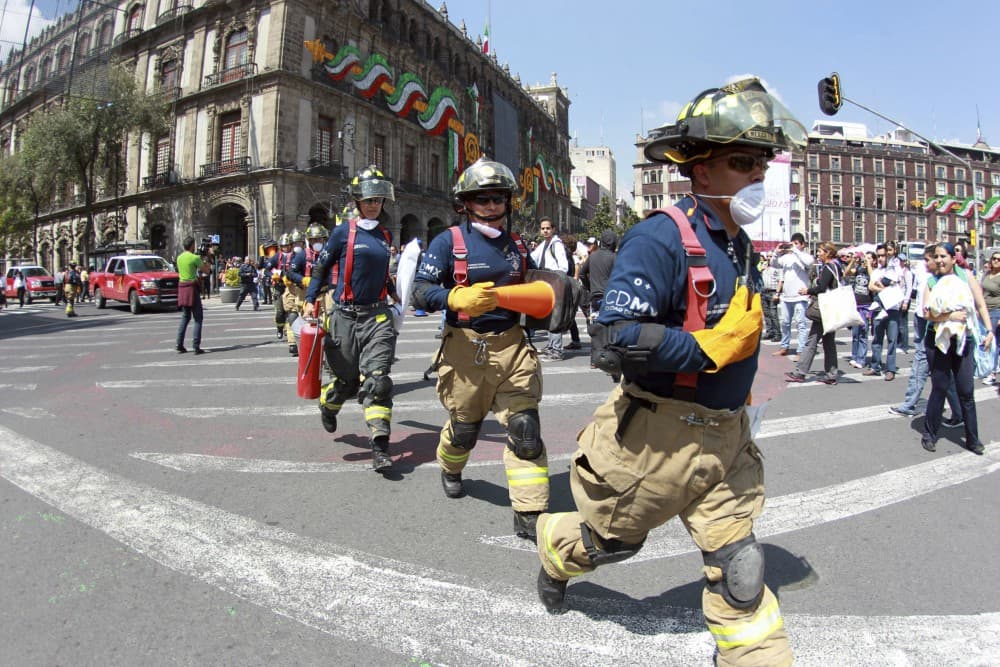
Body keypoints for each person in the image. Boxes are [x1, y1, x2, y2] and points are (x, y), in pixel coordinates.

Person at [534, 77, 802, 666]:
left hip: (726, 438)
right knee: (608, 545)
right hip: (656, 443)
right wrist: (707, 350)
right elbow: (615, 335)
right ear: (700, 171)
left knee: (742, 569)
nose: (758, 175)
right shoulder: (660, 237)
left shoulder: (739, 246)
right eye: (741, 162)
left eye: (762, 162)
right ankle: (557, 551)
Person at [411, 157, 549, 541]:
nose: (491, 206)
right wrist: (455, 298)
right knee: (465, 430)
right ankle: (450, 467)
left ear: (508, 202)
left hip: (513, 347)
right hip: (464, 350)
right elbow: (419, 290)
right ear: (465, 204)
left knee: (526, 429)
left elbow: (541, 290)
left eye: (498, 198)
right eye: (482, 198)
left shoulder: (519, 244)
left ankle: (529, 510)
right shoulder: (448, 241)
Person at [304, 167, 399, 472]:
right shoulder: (342, 232)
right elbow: (321, 268)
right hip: (344, 316)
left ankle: (380, 447)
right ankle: (328, 406)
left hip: (378, 315)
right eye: (368, 199)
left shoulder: (385, 234)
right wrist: (309, 301)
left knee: (378, 380)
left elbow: (382, 273)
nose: (374, 205)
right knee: (344, 383)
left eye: (379, 200)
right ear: (358, 201)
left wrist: (396, 292)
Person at [920, 243, 994, 454]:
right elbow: (927, 314)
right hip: (938, 341)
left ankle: (973, 439)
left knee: (966, 392)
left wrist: (989, 330)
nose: (940, 260)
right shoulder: (931, 282)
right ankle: (929, 434)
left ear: (954, 258)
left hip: (964, 340)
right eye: (937, 256)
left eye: (944, 256)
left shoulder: (966, 277)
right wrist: (949, 316)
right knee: (940, 388)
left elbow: (980, 305)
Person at [889, 245, 963, 420]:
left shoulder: (944, 278)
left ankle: (909, 404)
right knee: (939, 371)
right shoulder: (924, 275)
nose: (926, 262)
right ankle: (958, 412)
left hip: (936, 326)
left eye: (928, 259)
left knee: (926, 368)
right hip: (921, 320)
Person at [784, 242, 841, 384]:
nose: (818, 253)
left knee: (811, 342)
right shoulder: (837, 266)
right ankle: (831, 375)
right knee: (828, 343)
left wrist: (807, 291)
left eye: (821, 251)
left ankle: (800, 372)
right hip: (831, 308)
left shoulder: (829, 267)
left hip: (824, 309)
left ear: (828, 253)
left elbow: (822, 288)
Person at [530, 216, 569, 361]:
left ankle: (557, 350)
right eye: (543, 228)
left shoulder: (556, 244)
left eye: (548, 228)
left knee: (555, 317)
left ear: (553, 229)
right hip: (547, 285)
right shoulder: (545, 244)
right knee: (549, 316)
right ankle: (552, 345)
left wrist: (555, 280)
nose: (545, 231)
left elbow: (563, 267)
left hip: (555, 284)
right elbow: (532, 258)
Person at [771, 232, 813, 359]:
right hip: (786, 296)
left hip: (800, 296)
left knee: (800, 323)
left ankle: (800, 350)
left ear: (802, 245)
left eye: (796, 244)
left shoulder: (806, 257)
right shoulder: (786, 257)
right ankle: (784, 347)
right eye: (792, 243)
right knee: (785, 323)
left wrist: (795, 250)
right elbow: (774, 263)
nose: (793, 246)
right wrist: (776, 252)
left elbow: (809, 263)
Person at [865, 243, 904, 380]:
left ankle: (890, 369)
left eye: (883, 255)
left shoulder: (894, 270)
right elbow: (871, 286)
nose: (881, 258)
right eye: (879, 256)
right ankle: (875, 366)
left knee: (892, 340)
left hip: (892, 308)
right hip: (878, 308)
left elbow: (898, 284)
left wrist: (883, 287)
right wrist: (886, 289)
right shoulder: (877, 272)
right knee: (877, 339)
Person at [176, 236, 212, 354]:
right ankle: (196, 346)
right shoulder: (194, 257)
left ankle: (179, 344)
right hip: (192, 288)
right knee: (198, 318)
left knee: (185, 317)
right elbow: (206, 270)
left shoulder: (179, 257)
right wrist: (207, 258)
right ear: (192, 246)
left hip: (182, 287)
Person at [579, 229, 617, 317]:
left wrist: (590, 287)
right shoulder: (614, 257)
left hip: (595, 295)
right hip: (610, 296)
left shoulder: (592, 256)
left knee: (594, 319)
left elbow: (582, 274)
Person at [265, 234, 294, 340]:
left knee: (291, 310)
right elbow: (266, 269)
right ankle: (280, 328)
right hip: (279, 286)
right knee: (280, 311)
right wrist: (273, 275)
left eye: (287, 245)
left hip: (291, 286)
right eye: (283, 246)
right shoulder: (277, 256)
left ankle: (289, 330)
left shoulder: (296, 255)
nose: (285, 248)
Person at [980, 250, 1000, 385]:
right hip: (984, 312)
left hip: (996, 311)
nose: (996, 261)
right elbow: (981, 291)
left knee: (992, 343)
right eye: (994, 258)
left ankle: (992, 373)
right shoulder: (987, 274)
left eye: (999, 259)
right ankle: (985, 368)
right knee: (984, 341)